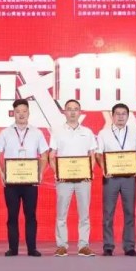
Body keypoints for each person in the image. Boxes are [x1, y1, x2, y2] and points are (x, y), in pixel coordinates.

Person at [0, 99, 49, 257]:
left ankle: (32, 248)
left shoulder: (37, 132)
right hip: (11, 182)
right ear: (14, 113)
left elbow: (44, 155)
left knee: (31, 215)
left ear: (29, 113)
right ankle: (13, 248)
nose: (21, 114)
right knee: (12, 215)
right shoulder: (6, 133)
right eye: (18, 112)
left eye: (24, 111)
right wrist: (1, 174)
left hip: (30, 182)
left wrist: (40, 173)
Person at [49, 99, 97, 257]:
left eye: (75, 109)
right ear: (64, 112)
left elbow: (92, 155)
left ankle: (83, 246)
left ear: (80, 112)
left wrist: (89, 172)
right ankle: (61, 245)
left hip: (83, 180)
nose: (72, 112)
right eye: (69, 109)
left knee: (84, 214)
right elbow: (51, 156)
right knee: (61, 214)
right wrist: (57, 173)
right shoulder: (57, 132)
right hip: (64, 180)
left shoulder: (87, 132)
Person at [96, 103, 136, 257]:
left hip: (129, 178)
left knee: (130, 212)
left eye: (124, 114)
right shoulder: (103, 133)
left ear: (128, 116)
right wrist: (104, 169)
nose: (121, 117)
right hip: (111, 178)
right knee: (108, 213)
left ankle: (129, 246)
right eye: (117, 114)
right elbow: (98, 154)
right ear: (112, 116)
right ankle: (108, 246)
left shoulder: (135, 133)